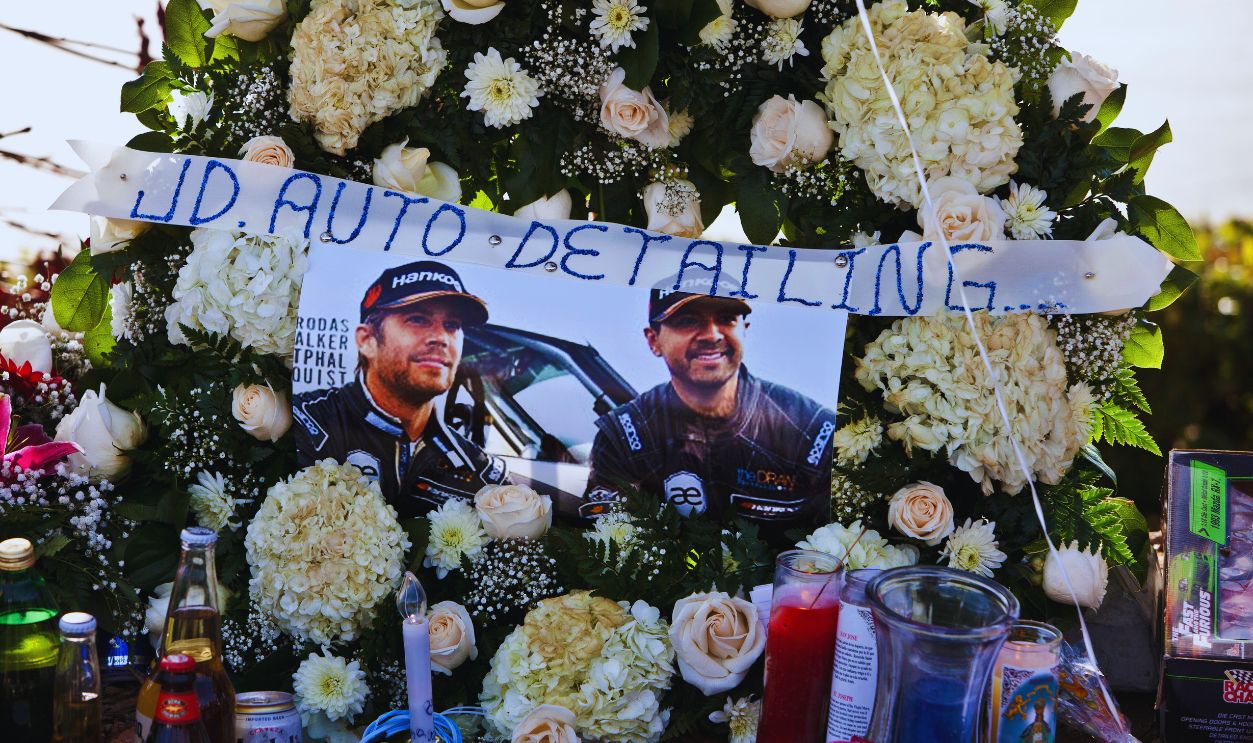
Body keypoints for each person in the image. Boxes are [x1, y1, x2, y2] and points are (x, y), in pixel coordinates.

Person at [584, 274, 836, 537]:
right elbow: (608, 545)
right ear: (653, 340)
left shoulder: (813, 431)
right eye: (688, 320)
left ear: (745, 330)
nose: (712, 335)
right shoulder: (622, 438)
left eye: (726, 318)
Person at [293, 259, 509, 517]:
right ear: (367, 340)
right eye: (418, 319)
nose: (441, 338)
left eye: (451, 325)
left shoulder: (481, 473)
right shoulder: (306, 423)